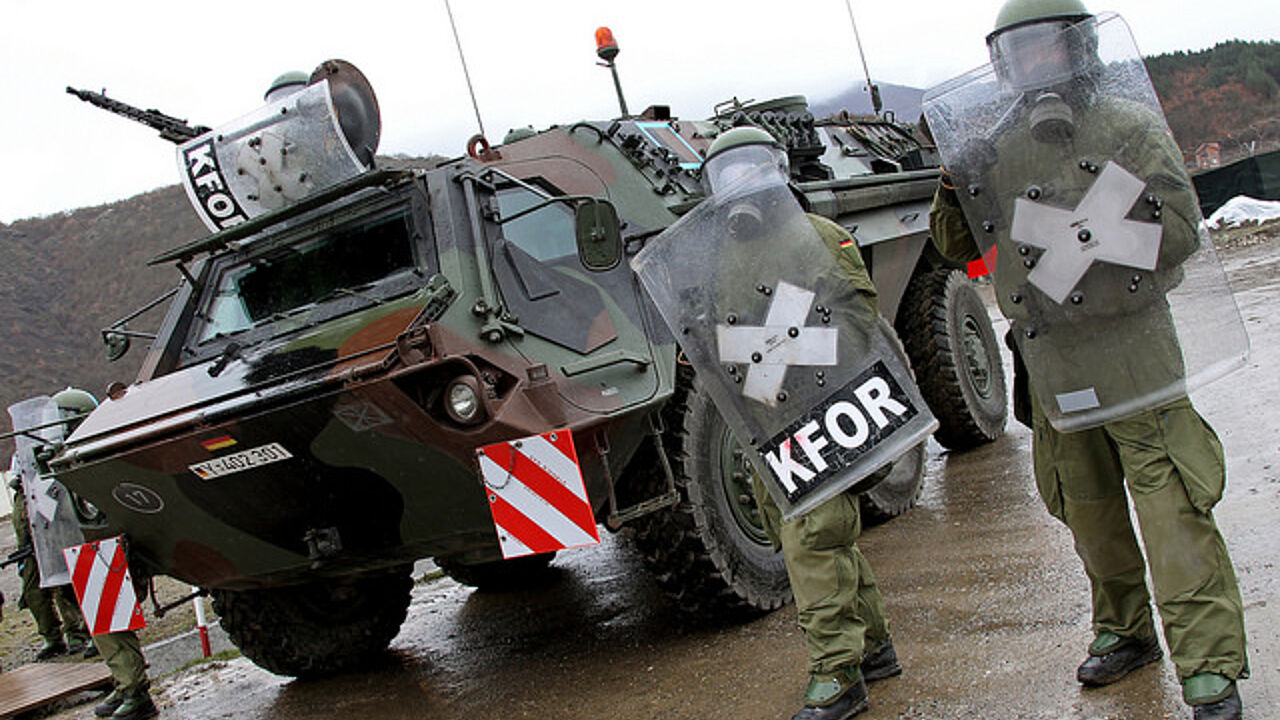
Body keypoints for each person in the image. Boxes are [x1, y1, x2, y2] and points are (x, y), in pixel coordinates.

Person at [925, 2, 1247, 719]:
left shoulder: (1125, 127)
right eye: (1020, 50)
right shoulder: (997, 148)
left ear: (1080, 48)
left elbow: (1181, 230)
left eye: (1048, 45)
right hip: (1057, 363)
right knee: (1088, 508)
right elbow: (955, 244)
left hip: (1135, 353)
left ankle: (1208, 665)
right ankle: (1124, 629)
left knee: (1172, 510)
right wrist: (955, 184)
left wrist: (1094, 228)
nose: (1035, 62)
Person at [702, 127, 903, 720]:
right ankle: (874, 646)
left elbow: (859, 324)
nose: (738, 183)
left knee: (814, 536)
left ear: (776, 170)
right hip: (766, 419)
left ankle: (838, 673)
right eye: (725, 173)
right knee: (815, 535)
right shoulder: (722, 258)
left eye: (749, 168)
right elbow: (720, 330)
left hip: (821, 411)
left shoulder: (816, 236)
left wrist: (792, 353)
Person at [9, 466, 94, 660]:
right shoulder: (21, 497)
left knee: (66, 589)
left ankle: (81, 632)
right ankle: (52, 636)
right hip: (30, 549)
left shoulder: (47, 485)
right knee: (33, 593)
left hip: (55, 543)